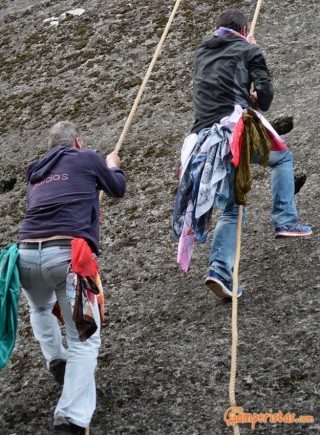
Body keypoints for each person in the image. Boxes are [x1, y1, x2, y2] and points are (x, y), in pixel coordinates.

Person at [189, 9, 311, 299]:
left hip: (204, 140)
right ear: (243, 29)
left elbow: (223, 82)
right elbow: (265, 98)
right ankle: (284, 219)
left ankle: (218, 271)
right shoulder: (248, 49)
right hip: (234, 133)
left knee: (232, 208)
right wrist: (252, 51)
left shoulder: (200, 53)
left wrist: (246, 50)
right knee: (282, 157)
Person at [17, 121, 126, 434]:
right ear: (78, 142)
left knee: (40, 308)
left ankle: (56, 361)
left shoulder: (36, 172)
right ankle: (71, 419)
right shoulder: (87, 157)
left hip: (26, 254)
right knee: (83, 339)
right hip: (67, 256)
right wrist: (111, 165)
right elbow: (117, 188)